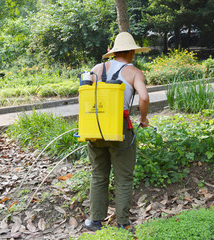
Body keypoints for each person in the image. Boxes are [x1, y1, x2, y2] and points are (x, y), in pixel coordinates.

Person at [84, 32, 150, 231]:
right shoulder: (134, 72)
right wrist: (144, 119)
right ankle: (122, 223)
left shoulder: (97, 69)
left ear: (114, 52)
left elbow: (85, 96)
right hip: (119, 128)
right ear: (130, 52)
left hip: (95, 126)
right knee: (123, 177)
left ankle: (95, 221)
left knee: (98, 174)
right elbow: (144, 98)